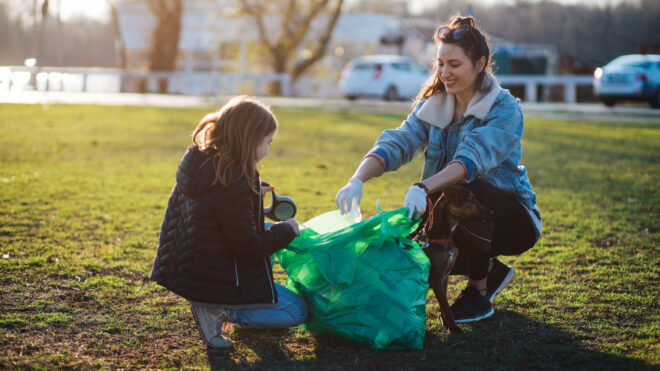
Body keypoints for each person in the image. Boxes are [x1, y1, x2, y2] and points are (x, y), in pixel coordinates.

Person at [335, 16, 542, 324]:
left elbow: (468, 161)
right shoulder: (432, 106)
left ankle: (479, 293)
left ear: (480, 63)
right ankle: (489, 268)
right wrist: (356, 179)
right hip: (451, 211)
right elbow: (398, 142)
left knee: (465, 189)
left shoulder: (504, 109)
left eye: (455, 64)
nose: (445, 73)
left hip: (513, 222)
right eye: (440, 64)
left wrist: (423, 188)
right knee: (409, 249)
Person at [151, 96, 307, 349]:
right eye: (267, 142)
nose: (268, 150)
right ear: (248, 139)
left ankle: (216, 301)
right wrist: (287, 230)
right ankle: (223, 311)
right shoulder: (234, 181)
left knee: (267, 229)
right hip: (213, 278)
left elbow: (219, 212)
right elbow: (249, 250)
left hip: (195, 268)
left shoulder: (201, 163)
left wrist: (253, 193)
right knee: (298, 311)